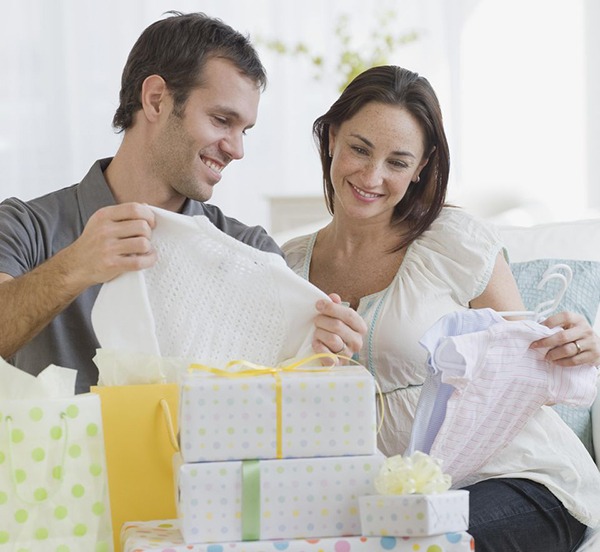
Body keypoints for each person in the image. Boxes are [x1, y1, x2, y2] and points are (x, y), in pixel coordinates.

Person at [282, 65, 600, 551]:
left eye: (397, 161)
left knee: (425, 542)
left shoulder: (455, 241)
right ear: (330, 138)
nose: (372, 176)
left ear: (422, 166)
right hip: (385, 498)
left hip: (517, 477)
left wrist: (573, 345)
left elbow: (525, 367)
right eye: (359, 149)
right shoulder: (287, 267)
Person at [0, 12, 365, 394]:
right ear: (156, 100)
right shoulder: (27, 227)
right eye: (222, 119)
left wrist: (318, 357)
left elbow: (275, 399)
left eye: (244, 130)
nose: (237, 149)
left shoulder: (249, 250)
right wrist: (76, 266)